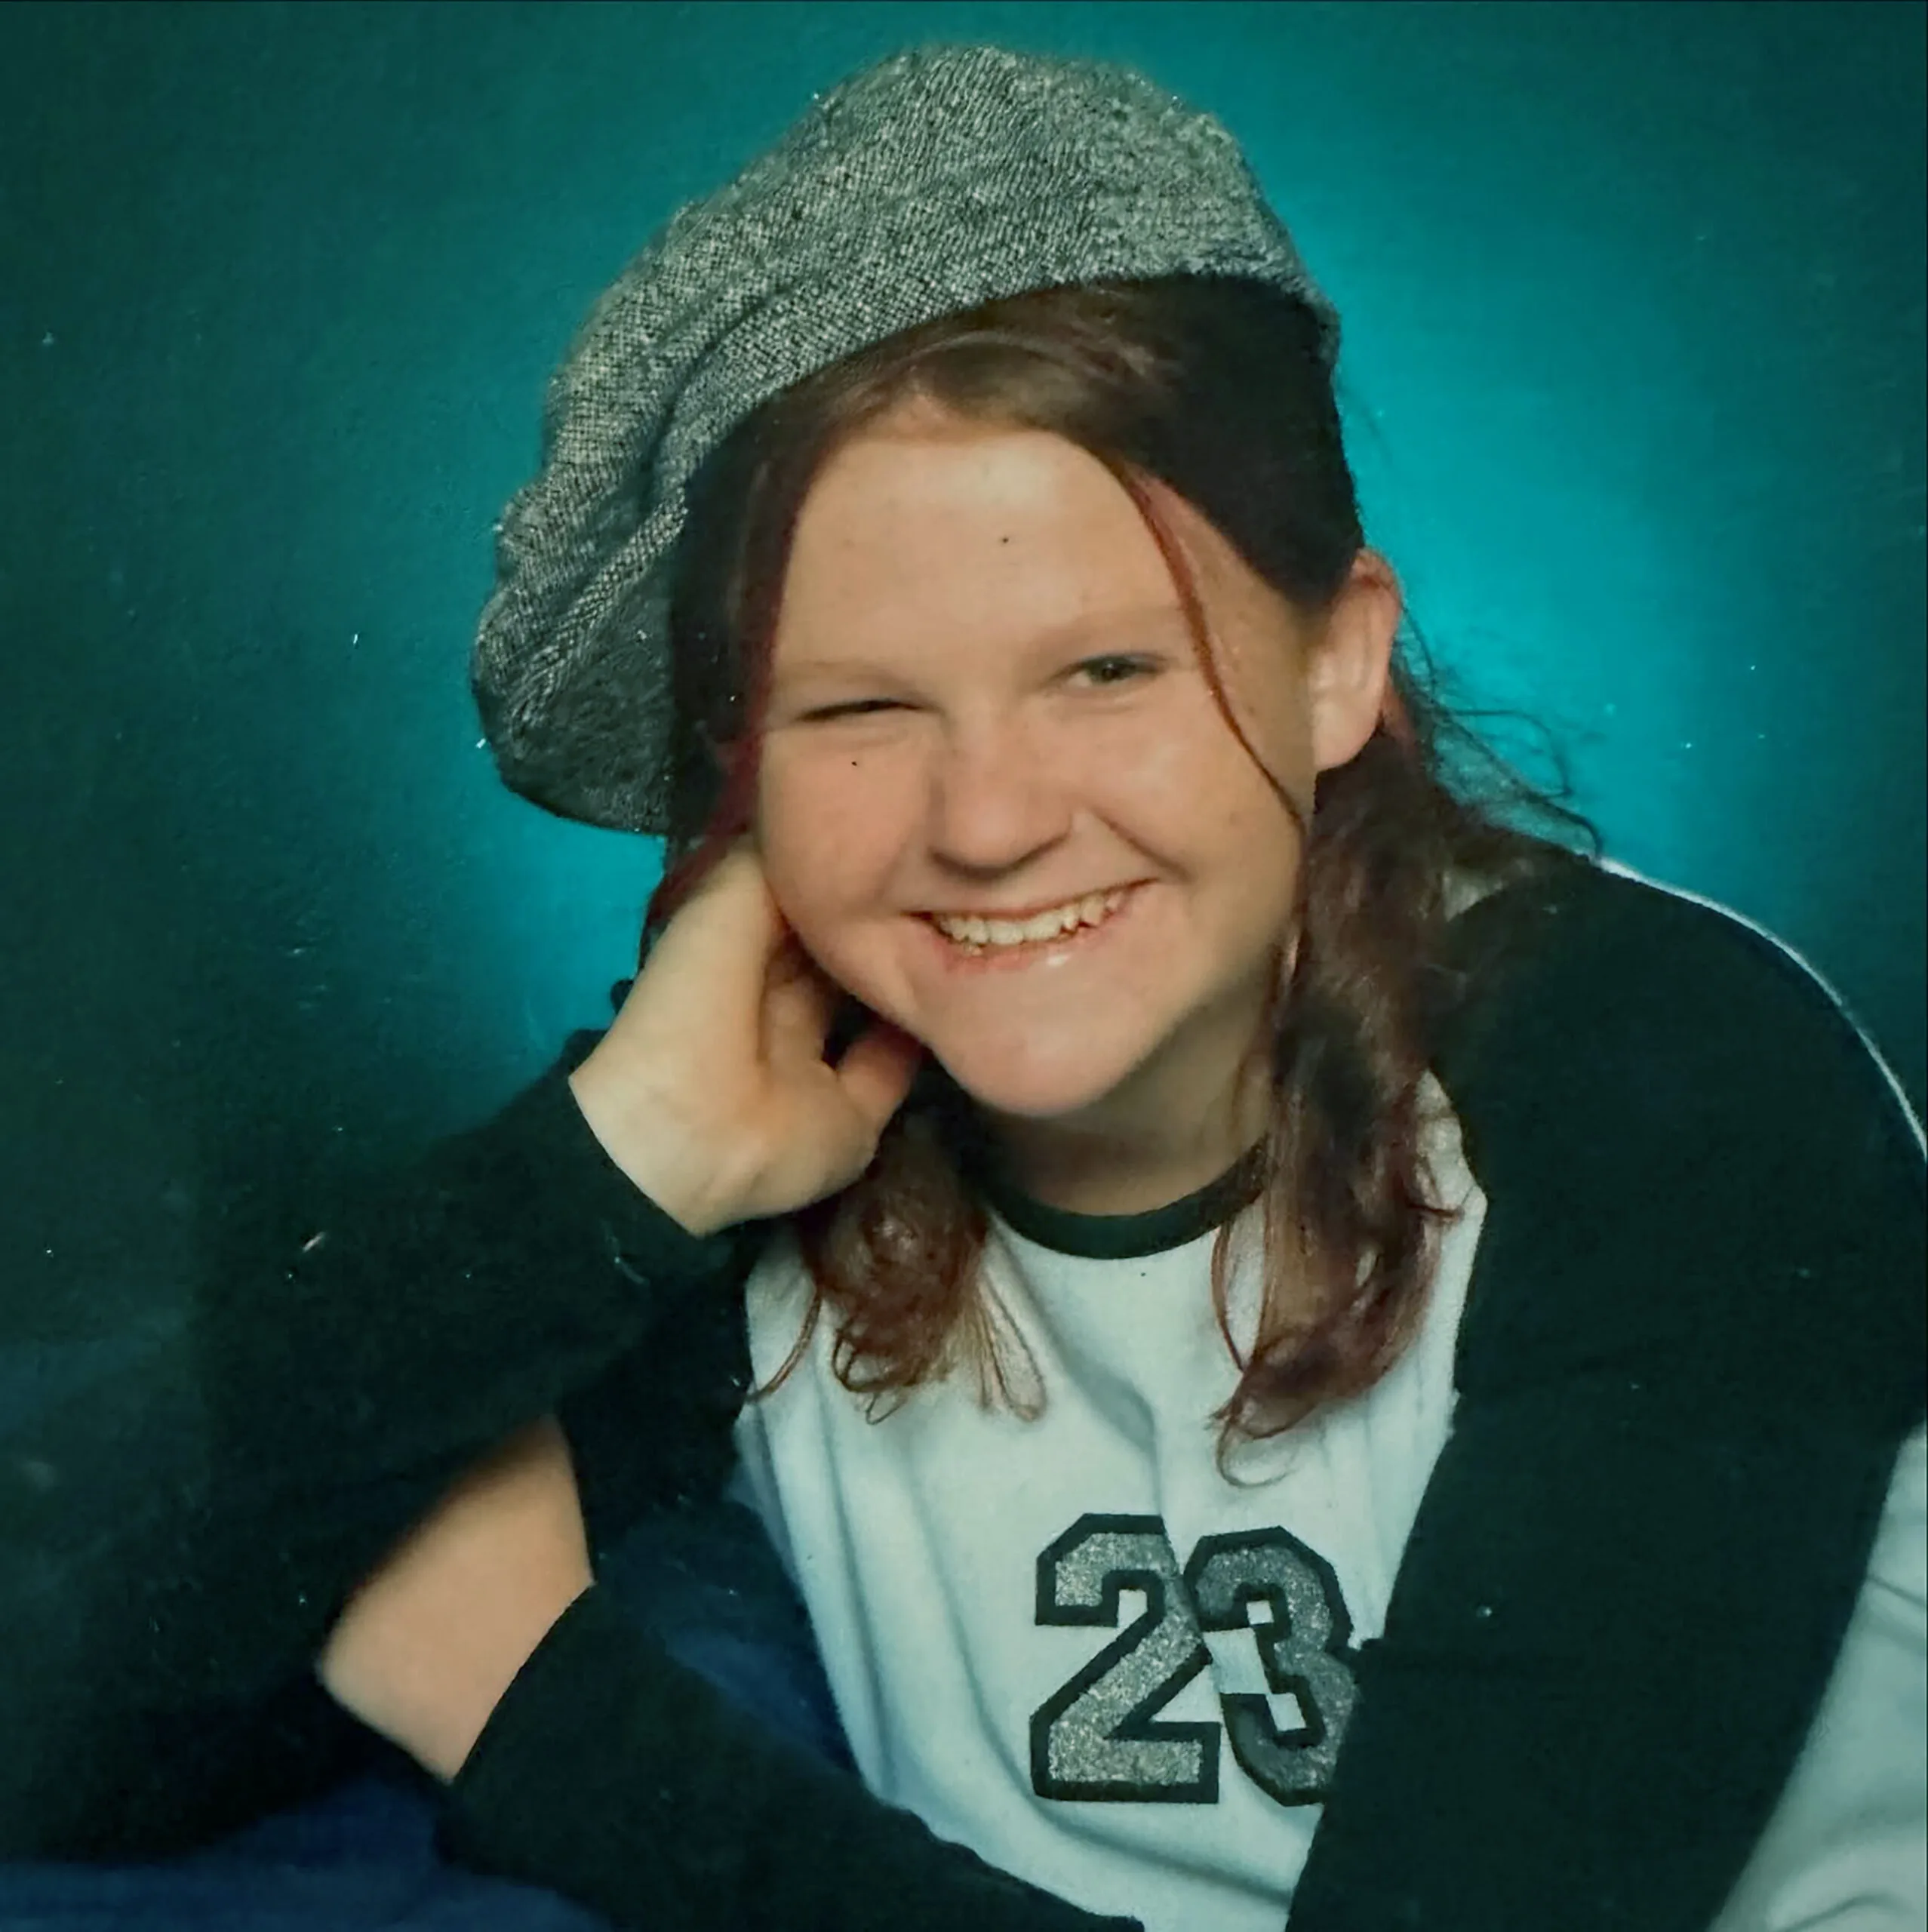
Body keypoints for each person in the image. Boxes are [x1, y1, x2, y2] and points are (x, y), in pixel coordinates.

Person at [3, 41, 1922, 1932]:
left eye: (1108, 670)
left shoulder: (1675, 1080)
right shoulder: (780, 1132)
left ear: (1337, 661)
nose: (987, 822)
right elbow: (63, 1733)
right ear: (740, 766)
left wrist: (539, 1715)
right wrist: (605, 1170)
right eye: (853, 708)